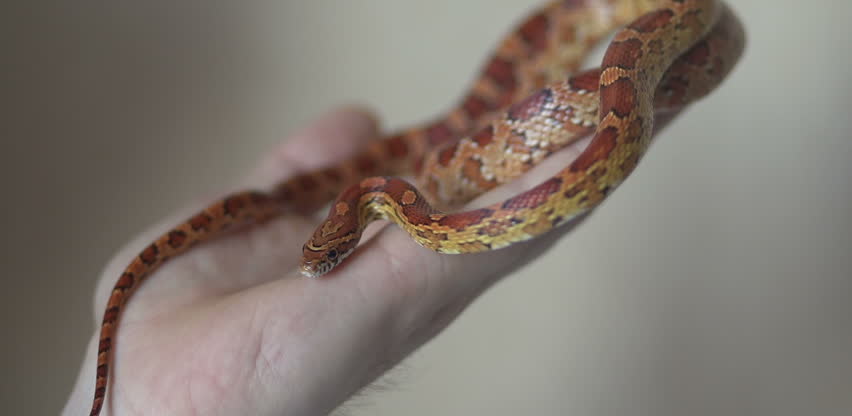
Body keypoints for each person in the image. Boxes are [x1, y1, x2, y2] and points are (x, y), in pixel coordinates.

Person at [62, 106, 677, 415]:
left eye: (326, 255)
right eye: (321, 254)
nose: (316, 265)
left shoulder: (387, 203)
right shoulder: (360, 208)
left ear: (347, 233)